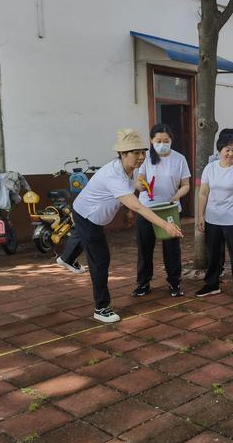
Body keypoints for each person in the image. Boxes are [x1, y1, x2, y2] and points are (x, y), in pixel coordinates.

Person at [59, 129, 182, 323]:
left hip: (88, 213)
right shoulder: (113, 175)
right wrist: (165, 226)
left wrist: (134, 194)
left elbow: (131, 188)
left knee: (81, 237)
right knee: (100, 260)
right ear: (122, 154)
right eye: (135, 153)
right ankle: (101, 308)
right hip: (88, 215)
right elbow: (137, 206)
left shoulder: (129, 169)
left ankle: (66, 258)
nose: (141, 157)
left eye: (143, 152)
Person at [131, 123, 191, 298]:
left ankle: (174, 283)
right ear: (151, 140)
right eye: (158, 140)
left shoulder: (179, 159)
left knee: (172, 248)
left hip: (170, 210)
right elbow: (139, 180)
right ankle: (143, 283)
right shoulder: (145, 158)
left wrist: (177, 196)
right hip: (146, 209)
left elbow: (185, 185)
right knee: (144, 247)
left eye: (166, 140)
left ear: (171, 141)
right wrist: (141, 186)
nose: (162, 143)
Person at [195, 132, 233, 302]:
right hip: (213, 219)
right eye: (227, 150)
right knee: (213, 253)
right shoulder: (210, 168)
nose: (230, 154)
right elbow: (203, 193)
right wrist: (201, 215)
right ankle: (212, 284)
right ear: (219, 151)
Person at [207, 128, 233, 279]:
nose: (230, 153)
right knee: (216, 248)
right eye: (226, 147)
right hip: (215, 213)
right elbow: (206, 188)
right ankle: (216, 275)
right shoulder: (212, 162)